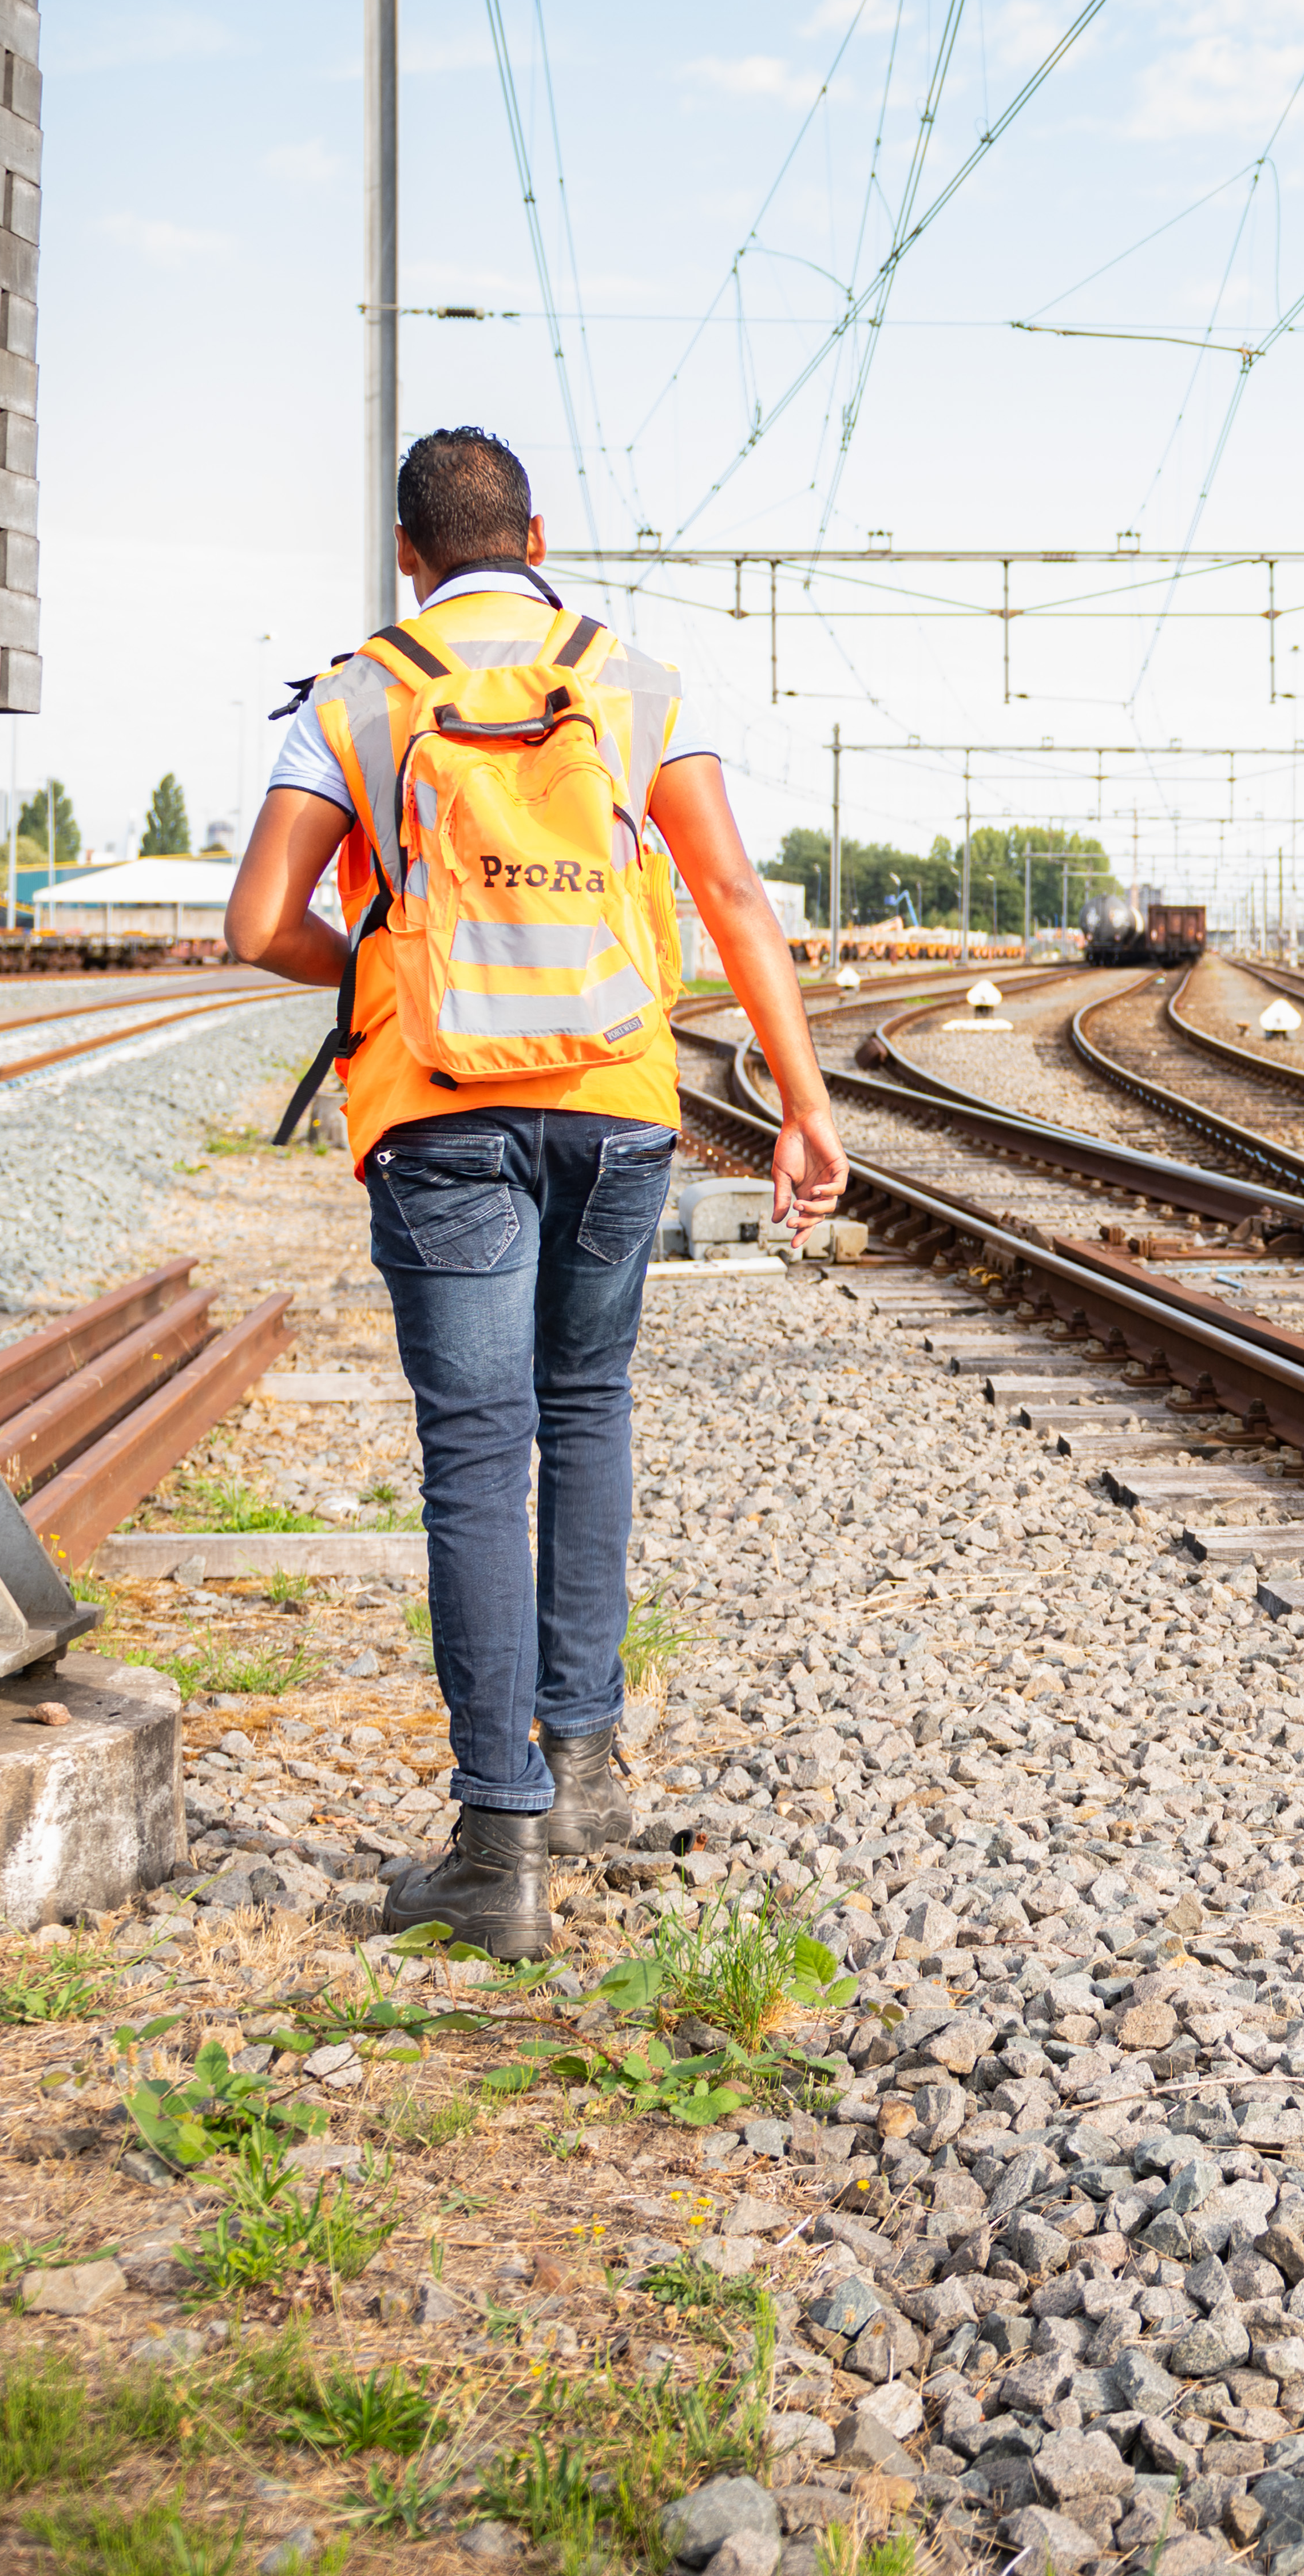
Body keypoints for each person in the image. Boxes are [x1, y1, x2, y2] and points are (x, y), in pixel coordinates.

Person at [224, 427, 847, 1957]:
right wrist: (800, 1103)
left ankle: (497, 1852)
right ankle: (589, 1778)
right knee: (587, 1414)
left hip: (444, 1116)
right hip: (619, 1108)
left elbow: (258, 924)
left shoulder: (363, 690)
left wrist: (380, 969)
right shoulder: (627, 679)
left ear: (406, 552)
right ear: (541, 534)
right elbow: (733, 901)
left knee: (472, 1460)